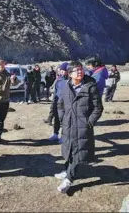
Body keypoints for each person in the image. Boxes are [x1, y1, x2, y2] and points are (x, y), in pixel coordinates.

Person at [55, 61, 103, 193]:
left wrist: (89, 123)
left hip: (83, 127)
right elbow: (60, 104)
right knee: (69, 149)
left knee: (78, 152)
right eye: (77, 70)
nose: (80, 72)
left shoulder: (90, 86)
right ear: (70, 74)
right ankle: (66, 171)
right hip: (68, 125)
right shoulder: (65, 86)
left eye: (81, 69)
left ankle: (69, 180)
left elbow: (98, 108)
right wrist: (62, 118)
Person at [45, 62, 69, 143]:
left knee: (64, 121)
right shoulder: (59, 79)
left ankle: (64, 136)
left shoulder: (70, 80)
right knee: (56, 119)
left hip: (65, 103)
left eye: (64, 70)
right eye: (61, 70)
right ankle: (55, 134)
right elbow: (55, 91)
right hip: (57, 102)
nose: (62, 72)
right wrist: (53, 101)